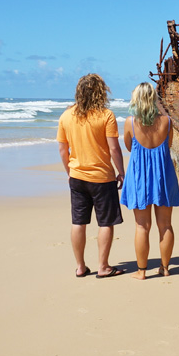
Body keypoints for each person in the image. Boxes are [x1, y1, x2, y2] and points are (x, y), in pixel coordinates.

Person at [57, 74, 126, 279]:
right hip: (102, 177)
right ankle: (103, 266)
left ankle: (80, 266)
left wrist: (70, 173)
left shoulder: (66, 116)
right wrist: (121, 172)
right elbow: (114, 148)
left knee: (78, 221)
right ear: (101, 91)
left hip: (77, 177)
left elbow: (63, 150)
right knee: (105, 223)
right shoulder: (106, 115)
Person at [120, 82, 179, 280]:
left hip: (139, 178)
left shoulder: (130, 122)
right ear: (153, 99)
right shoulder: (167, 121)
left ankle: (142, 271)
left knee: (141, 226)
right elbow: (168, 145)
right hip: (163, 176)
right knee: (165, 225)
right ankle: (165, 268)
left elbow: (129, 147)